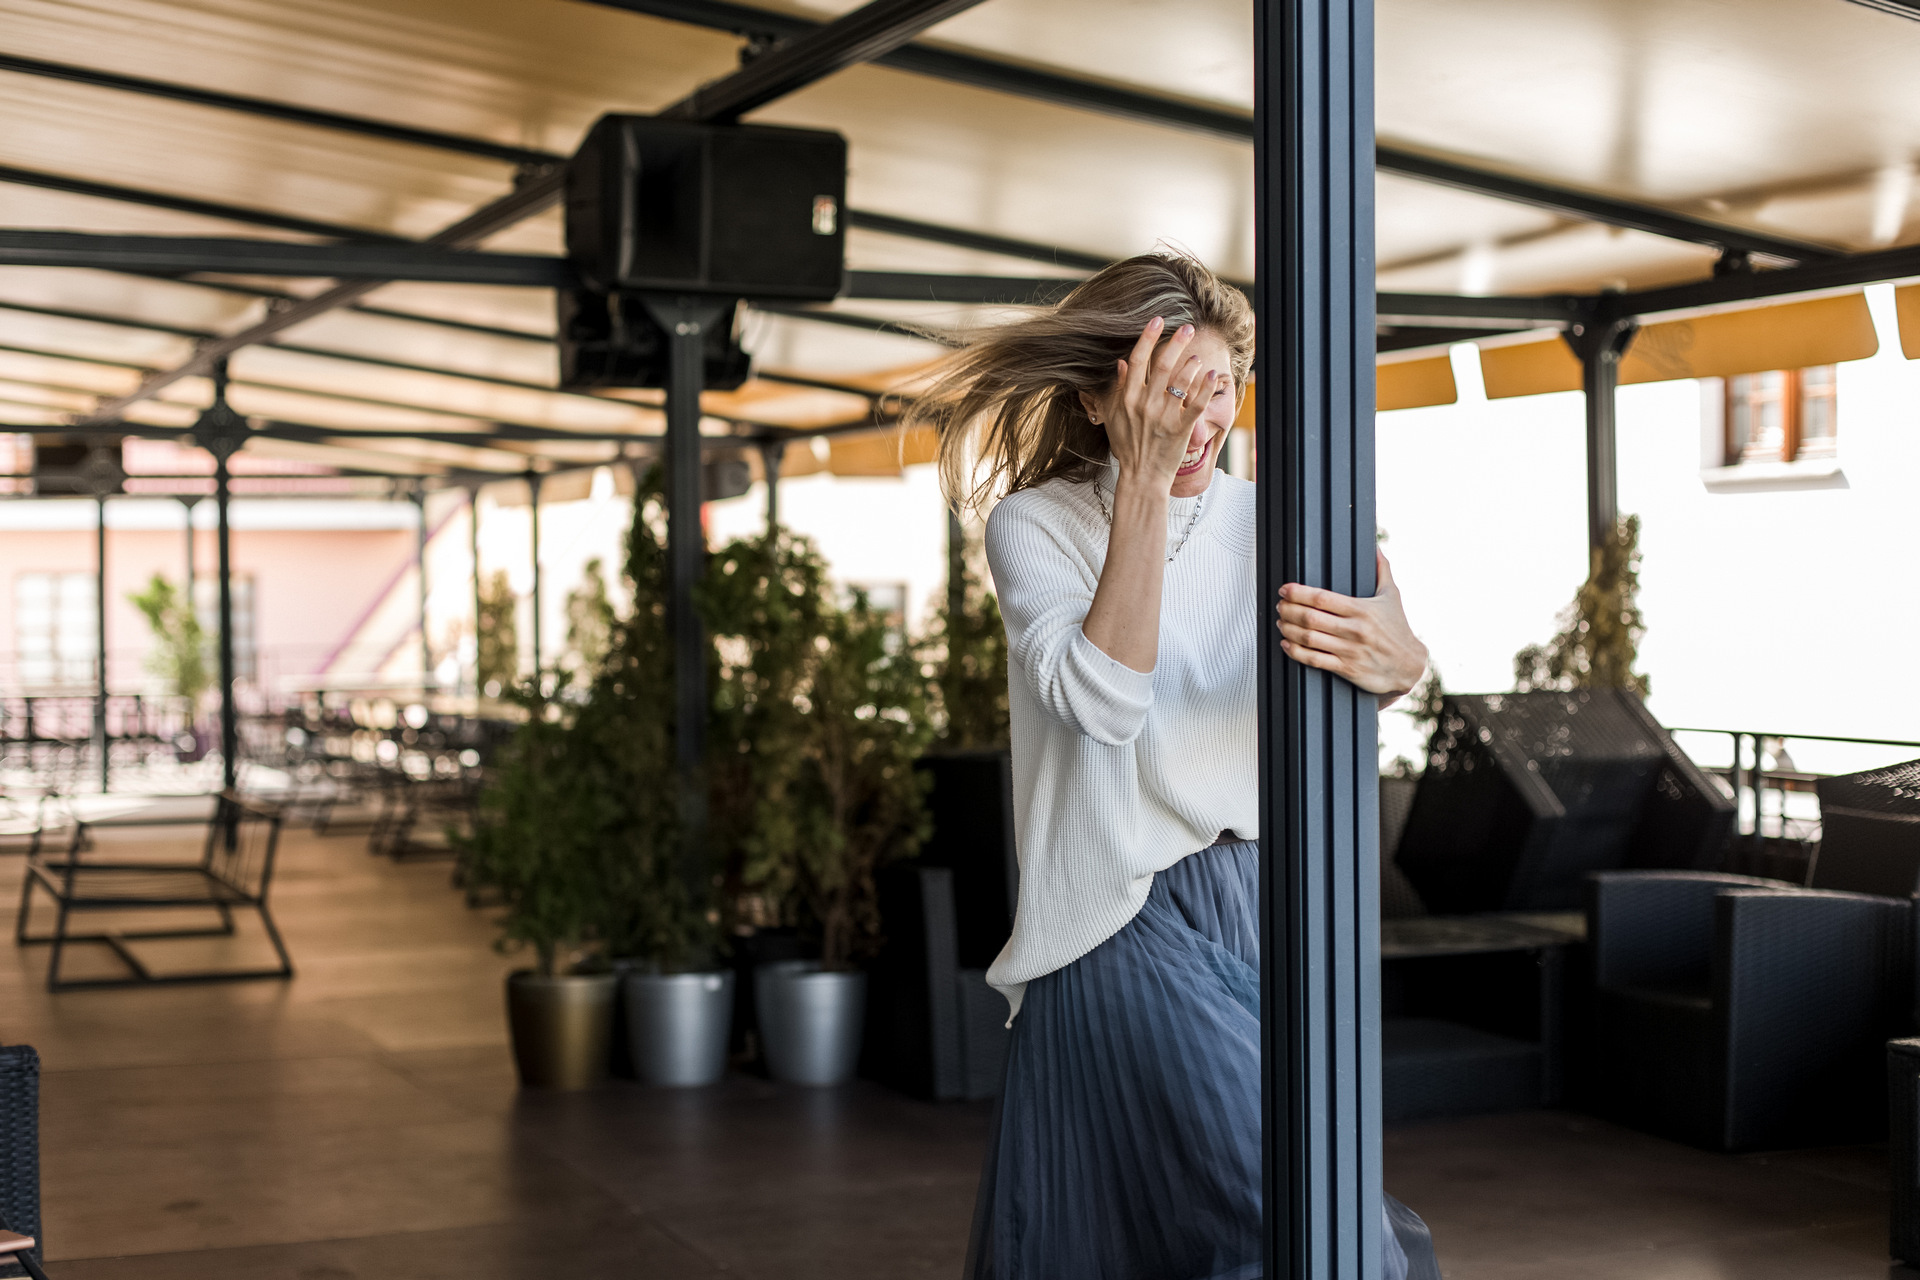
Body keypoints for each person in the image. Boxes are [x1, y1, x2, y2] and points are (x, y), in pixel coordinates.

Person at [910, 252, 1441, 1280]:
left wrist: (1405, 665)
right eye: (1170, 394)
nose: (1201, 421)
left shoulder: (1283, 520)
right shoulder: (1038, 524)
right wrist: (1143, 483)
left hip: (1260, 900)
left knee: (1185, 1230)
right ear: (1101, 397)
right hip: (1116, 909)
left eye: (1218, 390)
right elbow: (1105, 700)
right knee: (1305, 1212)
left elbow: (1368, 664)